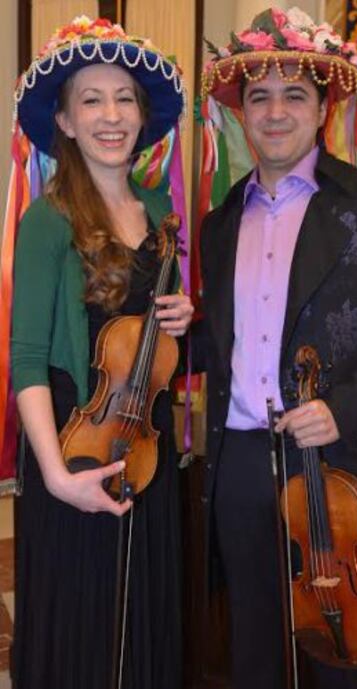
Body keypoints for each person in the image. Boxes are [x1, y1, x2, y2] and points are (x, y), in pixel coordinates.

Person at [195, 5, 357, 689]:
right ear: (240, 111)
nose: (276, 112)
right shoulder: (219, 218)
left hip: (338, 472)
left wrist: (342, 409)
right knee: (254, 652)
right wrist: (177, 327)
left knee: (341, 659)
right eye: (259, 96)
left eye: (295, 94)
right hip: (239, 466)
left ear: (323, 106)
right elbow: (224, 342)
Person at [3, 16, 193, 689]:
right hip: (73, 445)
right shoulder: (47, 219)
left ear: (143, 114)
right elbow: (26, 358)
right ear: (65, 117)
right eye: (91, 99)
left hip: (146, 445)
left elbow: (154, 339)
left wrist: (180, 315)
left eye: (125, 98)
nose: (111, 115)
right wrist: (54, 474)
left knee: (141, 613)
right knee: (82, 625)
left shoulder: (157, 206)